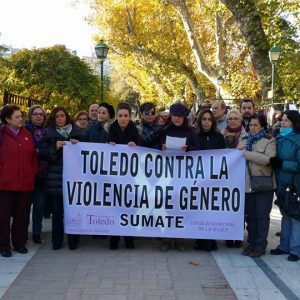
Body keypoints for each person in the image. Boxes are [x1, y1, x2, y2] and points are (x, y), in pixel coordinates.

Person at [160, 102, 199, 252]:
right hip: (166, 174)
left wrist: (188, 149)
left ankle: (179, 239)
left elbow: (198, 150)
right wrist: (160, 148)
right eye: (174, 115)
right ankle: (166, 239)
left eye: (179, 116)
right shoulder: (165, 130)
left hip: (183, 176)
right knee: (166, 206)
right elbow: (152, 145)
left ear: (184, 117)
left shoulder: (190, 132)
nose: (176, 118)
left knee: (181, 207)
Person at [41, 106, 82, 251]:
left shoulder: (77, 133)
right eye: (57, 116)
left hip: (73, 181)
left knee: (73, 212)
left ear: (67, 117)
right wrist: (55, 147)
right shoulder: (48, 134)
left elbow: (85, 157)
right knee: (57, 213)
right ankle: (56, 242)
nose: (60, 119)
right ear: (53, 119)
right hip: (55, 180)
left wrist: (78, 146)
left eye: (62, 116)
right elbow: (43, 154)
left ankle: (73, 241)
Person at [0, 105, 37, 257]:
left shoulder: (27, 134)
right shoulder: (1, 135)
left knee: (22, 216)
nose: (21, 119)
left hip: (25, 183)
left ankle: (19, 243)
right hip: (5, 184)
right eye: (17, 117)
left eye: (21, 116)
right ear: (8, 119)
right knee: (3, 217)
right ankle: (4, 246)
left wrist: (33, 172)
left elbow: (33, 157)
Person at [238, 114, 276, 257]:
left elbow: (268, 159)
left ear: (262, 127)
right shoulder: (244, 140)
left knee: (262, 216)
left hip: (263, 184)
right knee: (251, 217)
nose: (253, 128)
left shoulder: (269, 140)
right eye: (251, 125)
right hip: (247, 184)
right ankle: (252, 244)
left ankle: (260, 246)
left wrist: (246, 153)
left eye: (256, 125)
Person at [108, 102, 139, 250]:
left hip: (130, 176)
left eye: (126, 116)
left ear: (130, 116)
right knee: (115, 206)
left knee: (128, 207)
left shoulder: (134, 130)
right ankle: (114, 238)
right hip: (115, 176)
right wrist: (109, 144)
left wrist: (135, 145)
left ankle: (129, 238)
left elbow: (141, 147)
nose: (123, 118)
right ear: (117, 116)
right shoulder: (111, 129)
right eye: (120, 115)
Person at [270, 110, 300, 261]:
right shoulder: (279, 137)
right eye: (282, 119)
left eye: (286, 120)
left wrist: (283, 163)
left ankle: (295, 249)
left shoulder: (298, 140)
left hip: (295, 183)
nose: (283, 122)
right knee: (285, 215)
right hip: (281, 183)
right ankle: (284, 246)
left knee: (295, 217)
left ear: (294, 123)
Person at [193, 109, 225, 252]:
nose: (206, 122)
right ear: (200, 121)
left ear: (212, 122)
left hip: (213, 181)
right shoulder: (194, 136)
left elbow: (224, 157)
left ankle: (210, 240)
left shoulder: (219, 137)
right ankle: (200, 240)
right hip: (198, 181)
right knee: (199, 210)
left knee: (211, 210)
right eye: (204, 119)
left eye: (209, 119)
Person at [222, 109, 247, 248]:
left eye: (235, 118)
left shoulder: (247, 136)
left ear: (240, 120)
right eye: (230, 118)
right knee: (226, 206)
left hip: (240, 177)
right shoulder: (221, 135)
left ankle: (237, 236)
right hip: (224, 178)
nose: (232, 120)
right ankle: (227, 235)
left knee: (239, 207)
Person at [25, 105, 48, 244]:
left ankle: (36, 233)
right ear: (30, 116)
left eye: (41, 114)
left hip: (41, 175)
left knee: (39, 206)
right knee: (24, 208)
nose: (39, 116)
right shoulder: (24, 131)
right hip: (26, 174)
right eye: (35, 114)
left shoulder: (47, 132)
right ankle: (21, 233)